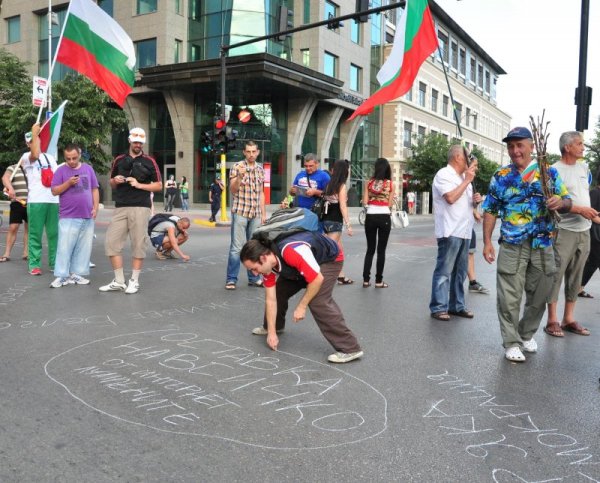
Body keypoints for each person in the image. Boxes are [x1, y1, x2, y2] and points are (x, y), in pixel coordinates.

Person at [482, 127, 571, 363]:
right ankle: (511, 342)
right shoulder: (501, 176)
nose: (515, 151)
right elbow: (490, 210)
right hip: (512, 243)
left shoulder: (548, 173)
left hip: (543, 242)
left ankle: (525, 333)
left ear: (532, 146)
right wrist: (486, 242)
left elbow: (568, 200)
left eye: (519, 145)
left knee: (541, 294)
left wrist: (559, 202)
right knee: (509, 297)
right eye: (511, 146)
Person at [242, 232, 363, 363]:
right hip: (300, 266)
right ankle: (275, 327)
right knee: (278, 292)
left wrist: (302, 306)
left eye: (254, 268)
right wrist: (271, 333)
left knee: (317, 300)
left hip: (328, 259)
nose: (254, 273)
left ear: (263, 257)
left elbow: (317, 279)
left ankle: (350, 348)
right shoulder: (267, 266)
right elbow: (271, 299)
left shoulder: (290, 252)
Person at [543, 132, 599, 337]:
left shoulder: (584, 168)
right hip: (563, 231)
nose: (583, 147)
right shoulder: (554, 171)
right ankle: (552, 321)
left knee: (576, 277)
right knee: (555, 275)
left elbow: (584, 195)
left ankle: (568, 319)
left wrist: (590, 214)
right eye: (579, 144)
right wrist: (580, 210)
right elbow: (553, 205)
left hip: (584, 230)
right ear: (567, 147)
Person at [99, 127, 162, 294]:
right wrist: (116, 180)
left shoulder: (150, 161)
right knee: (111, 242)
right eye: (135, 142)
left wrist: (139, 184)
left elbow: (158, 185)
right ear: (129, 141)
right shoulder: (119, 160)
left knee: (138, 244)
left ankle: (134, 281)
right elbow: (111, 183)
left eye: (140, 143)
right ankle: (119, 281)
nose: (137, 145)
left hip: (141, 207)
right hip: (121, 206)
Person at [429, 146, 481, 321]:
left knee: (460, 272)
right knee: (444, 270)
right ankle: (438, 307)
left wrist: (475, 202)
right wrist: (466, 182)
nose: (469, 160)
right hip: (450, 230)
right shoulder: (444, 174)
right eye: (467, 157)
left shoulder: (462, 178)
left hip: (464, 231)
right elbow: (450, 198)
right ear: (458, 157)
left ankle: (456, 305)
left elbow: (465, 205)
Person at [49, 144, 99, 288]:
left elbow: (94, 189)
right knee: (64, 247)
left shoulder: (88, 169)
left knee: (83, 247)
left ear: (80, 154)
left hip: (87, 215)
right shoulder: (60, 170)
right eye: (68, 158)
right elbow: (54, 191)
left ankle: (76, 274)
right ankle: (62, 276)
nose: (71, 161)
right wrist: (68, 183)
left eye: (74, 158)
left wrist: (96, 208)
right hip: (68, 215)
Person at [225, 140, 266, 290]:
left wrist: (263, 213)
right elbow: (233, 190)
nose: (251, 154)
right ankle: (231, 279)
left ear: (258, 152)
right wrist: (240, 177)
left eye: (253, 151)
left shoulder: (261, 169)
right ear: (244, 152)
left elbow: (261, 192)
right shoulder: (237, 167)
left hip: (255, 213)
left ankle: (254, 278)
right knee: (237, 247)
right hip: (241, 212)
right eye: (248, 151)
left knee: (254, 246)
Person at [20, 123, 59, 275]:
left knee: (54, 234)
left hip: (53, 200)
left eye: (35, 139)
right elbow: (35, 155)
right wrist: (35, 134)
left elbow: (57, 178)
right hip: (36, 200)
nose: (33, 142)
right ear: (27, 143)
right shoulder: (25, 157)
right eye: (30, 140)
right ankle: (34, 264)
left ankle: (55, 263)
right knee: (35, 234)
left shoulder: (50, 158)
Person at [362, 157, 395, 288]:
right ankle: (378, 281)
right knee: (381, 250)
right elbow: (390, 203)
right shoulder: (390, 184)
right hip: (384, 216)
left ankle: (365, 280)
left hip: (370, 216)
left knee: (370, 249)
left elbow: (365, 201)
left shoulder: (368, 183)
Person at [322, 159, 354, 285]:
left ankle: (341, 276)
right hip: (335, 221)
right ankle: (319, 277)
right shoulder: (341, 186)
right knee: (329, 251)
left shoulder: (329, 184)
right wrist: (348, 225)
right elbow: (343, 207)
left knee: (339, 249)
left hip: (326, 220)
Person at [1, 162, 29, 263]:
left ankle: (26, 252)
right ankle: (7, 253)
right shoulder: (13, 167)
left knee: (29, 228)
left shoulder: (33, 169)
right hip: (17, 202)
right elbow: (5, 178)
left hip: (31, 203)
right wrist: (11, 188)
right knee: (13, 227)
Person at [579, 168, 600, 298]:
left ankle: (578, 287)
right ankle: (578, 287)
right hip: (594, 233)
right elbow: (589, 213)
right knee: (593, 261)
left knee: (594, 261)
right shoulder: (595, 193)